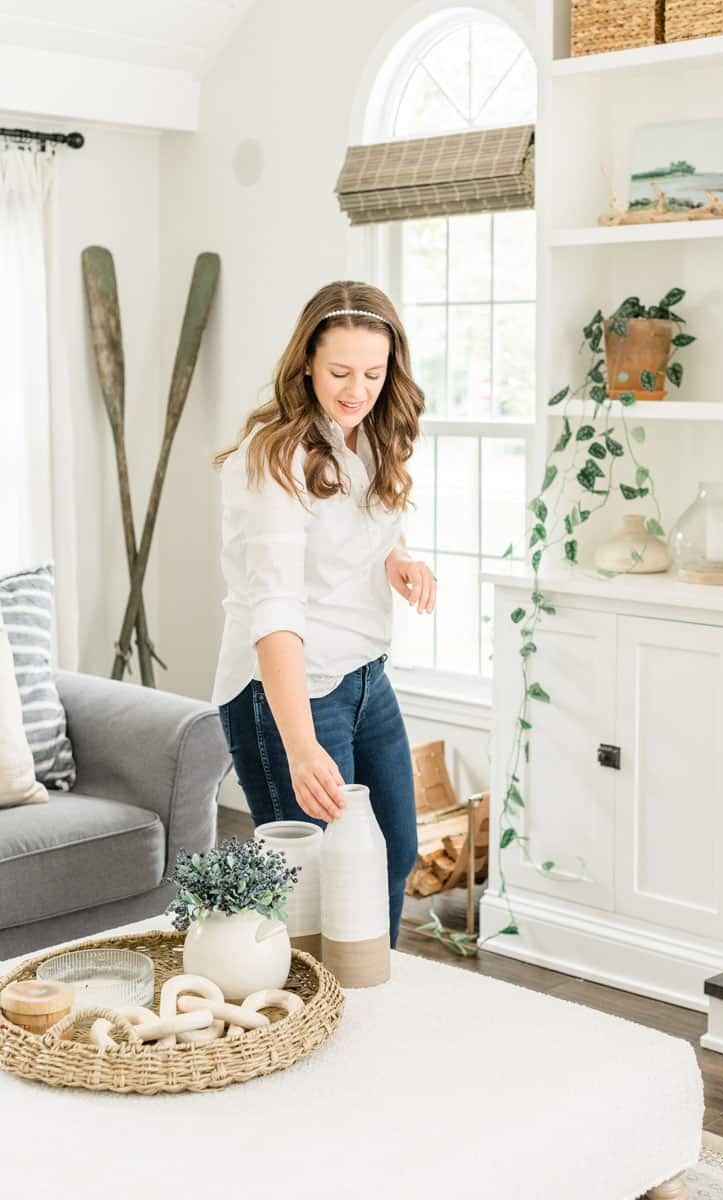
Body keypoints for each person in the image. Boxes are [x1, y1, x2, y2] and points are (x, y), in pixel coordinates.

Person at [211, 281, 435, 948]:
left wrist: (396, 557)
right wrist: (302, 745)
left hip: (364, 678)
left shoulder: (367, 438)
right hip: (290, 690)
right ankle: (311, 1031)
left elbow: (347, 535)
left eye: (373, 372)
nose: (356, 388)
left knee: (393, 857)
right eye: (339, 372)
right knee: (320, 893)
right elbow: (273, 608)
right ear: (305, 361)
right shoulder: (274, 459)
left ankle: (372, 1017)